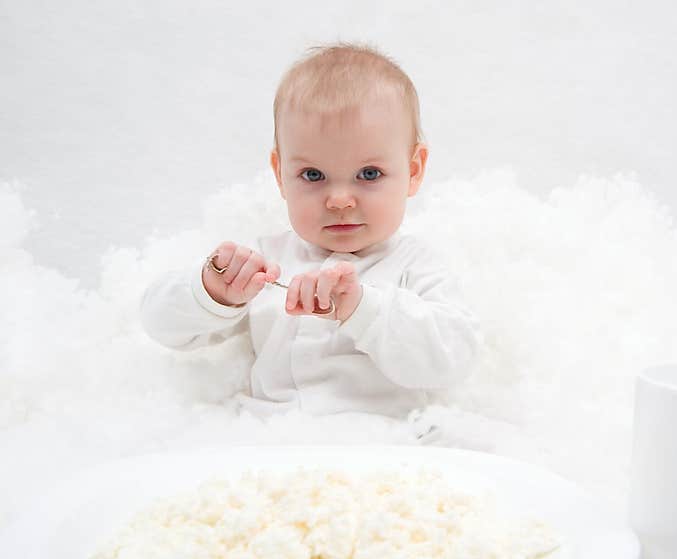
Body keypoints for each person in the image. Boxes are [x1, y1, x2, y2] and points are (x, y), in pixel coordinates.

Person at [140, 42, 481, 420]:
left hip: (384, 446)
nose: (338, 200)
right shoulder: (265, 261)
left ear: (413, 170)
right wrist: (213, 293)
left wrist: (360, 307)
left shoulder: (417, 263)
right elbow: (161, 326)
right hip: (270, 439)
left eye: (369, 174)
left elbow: (453, 358)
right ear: (280, 174)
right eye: (312, 175)